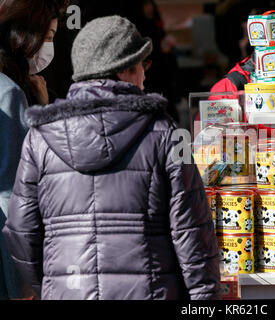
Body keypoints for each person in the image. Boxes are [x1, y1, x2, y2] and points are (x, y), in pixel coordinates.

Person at [2, 15, 221, 301]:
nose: (145, 74)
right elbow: (193, 235)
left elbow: (20, 231)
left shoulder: (40, 138)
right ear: (124, 70)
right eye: (143, 64)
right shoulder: (166, 133)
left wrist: (52, 286)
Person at [0, 0, 68, 300]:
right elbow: (11, 190)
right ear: (26, 35)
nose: (49, 46)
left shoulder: (22, 86)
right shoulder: (10, 93)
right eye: (49, 37)